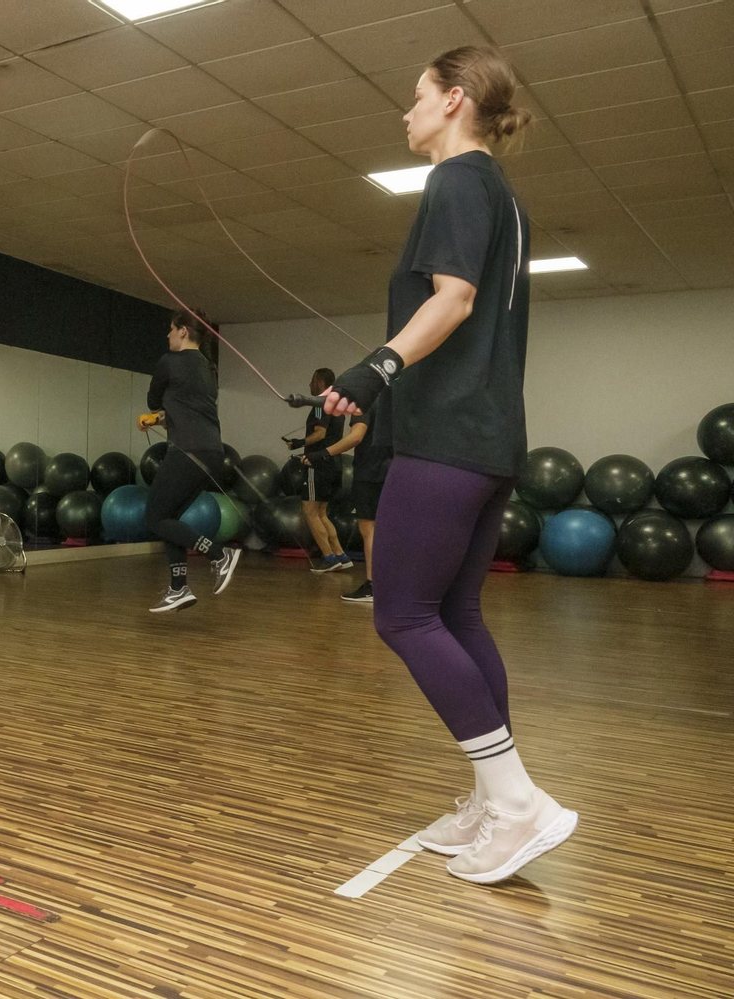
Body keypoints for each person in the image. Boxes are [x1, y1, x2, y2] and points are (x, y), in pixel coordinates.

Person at [321, 46, 576, 884]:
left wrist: (376, 367)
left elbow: (454, 298)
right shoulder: (501, 195)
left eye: (418, 95)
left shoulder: (457, 181)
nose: (408, 111)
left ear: (455, 99)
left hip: (448, 438)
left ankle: (518, 801)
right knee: (456, 612)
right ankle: (492, 796)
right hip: (489, 438)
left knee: (401, 615)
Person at [139, 311, 240, 612]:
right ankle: (178, 588)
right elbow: (187, 410)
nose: (167, 335)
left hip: (187, 451)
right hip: (212, 452)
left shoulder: (169, 362)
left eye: (171, 329)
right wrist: (161, 419)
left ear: (183, 331)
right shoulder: (208, 368)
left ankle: (219, 554)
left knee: (155, 519)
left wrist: (155, 414)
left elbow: (153, 400)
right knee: (169, 520)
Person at [289, 367, 353, 573]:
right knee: (321, 513)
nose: (310, 384)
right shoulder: (336, 406)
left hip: (317, 465)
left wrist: (299, 443)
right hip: (334, 465)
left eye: (312, 380)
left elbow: (320, 433)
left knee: (310, 512)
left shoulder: (319, 405)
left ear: (320, 382)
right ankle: (340, 555)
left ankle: (329, 558)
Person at [330, 391, 392, 604]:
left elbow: (356, 436)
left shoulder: (365, 402)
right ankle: (391, 586)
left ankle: (373, 586)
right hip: (395, 471)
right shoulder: (399, 399)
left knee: (369, 530)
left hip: (369, 473)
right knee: (389, 530)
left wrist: (324, 453)